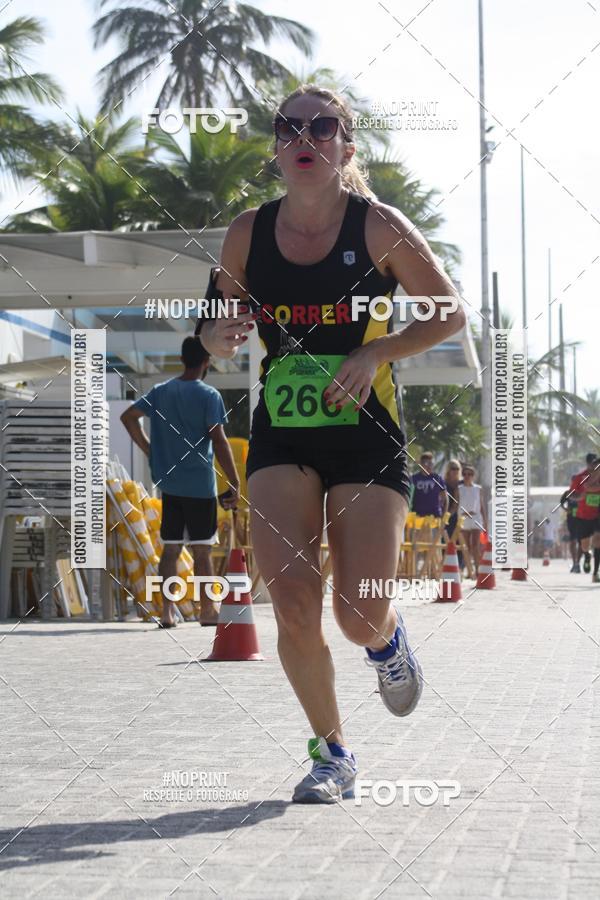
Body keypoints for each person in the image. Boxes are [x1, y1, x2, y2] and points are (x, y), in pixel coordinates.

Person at [198, 84, 465, 803]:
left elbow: (448, 314)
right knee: (290, 601)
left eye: (323, 125)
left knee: (354, 613)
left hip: (365, 434)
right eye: (289, 127)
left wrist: (379, 354)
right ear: (276, 148)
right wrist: (218, 335)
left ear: (346, 145)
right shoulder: (246, 233)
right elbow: (213, 327)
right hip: (283, 430)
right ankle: (332, 753)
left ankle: (386, 640)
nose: (304, 136)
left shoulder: (378, 226)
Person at [120, 337, 240, 627]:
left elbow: (128, 417)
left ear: (183, 359)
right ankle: (207, 610)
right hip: (200, 485)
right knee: (202, 549)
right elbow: (219, 440)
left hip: (169, 484)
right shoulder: (209, 395)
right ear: (206, 362)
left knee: (170, 549)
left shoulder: (162, 392)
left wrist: (150, 450)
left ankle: (167, 613)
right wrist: (234, 480)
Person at [569, 453, 599, 575]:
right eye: (592, 463)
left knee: (598, 540)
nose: (594, 465)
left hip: (597, 515)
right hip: (583, 516)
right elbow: (571, 495)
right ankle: (587, 555)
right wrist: (580, 497)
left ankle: (596, 571)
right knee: (585, 546)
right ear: (587, 464)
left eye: (596, 463)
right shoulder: (580, 477)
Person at [458, 465, 487, 574]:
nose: (467, 476)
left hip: (476, 518)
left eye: (470, 474)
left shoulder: (478, 489)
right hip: (464, 518)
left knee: (475, 546)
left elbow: (481, 506)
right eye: (465, 474)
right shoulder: (459, 489)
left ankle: (478, 569)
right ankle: (467, 569)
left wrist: (485, 521)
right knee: (466, 547)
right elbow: (456, 504)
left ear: (473, 476)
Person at [410, 452, 448, 519]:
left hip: (434, 516)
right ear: (421, 464)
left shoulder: (438, 478)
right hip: (416, 516)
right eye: (427, 463)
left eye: (431, 463)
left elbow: (445, 498)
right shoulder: (413, 478)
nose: (429, 466)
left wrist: (443, 517)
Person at [560, 478, 581, 572]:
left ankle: (578, 563)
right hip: (571, 520)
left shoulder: (582, 492)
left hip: (582, 519)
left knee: (582, 542)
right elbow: (561, 503)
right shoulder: (567, 492)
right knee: (573, 542)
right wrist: (565, 509)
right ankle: (574, 562)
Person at [443, 459, 461, 541]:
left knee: (459, 544)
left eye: (457, 469)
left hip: (459, 517)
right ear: (448, 470)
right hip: (446, 516)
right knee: (445, 542)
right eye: (453, 468)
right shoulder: (443, 484)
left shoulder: (462, 483)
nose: (455, 471)